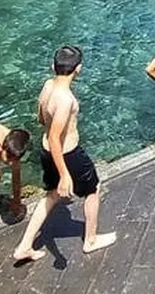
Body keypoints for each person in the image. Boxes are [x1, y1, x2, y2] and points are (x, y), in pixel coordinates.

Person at [12, 46, 116, 262]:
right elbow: (55, 139)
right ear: (78, 69)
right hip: (68, 154)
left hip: (46, 152)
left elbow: (41, 118)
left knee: (50, 196)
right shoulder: (66, 99)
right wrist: (65, 175)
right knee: (93, 190)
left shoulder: (48, 85)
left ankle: (24, 245)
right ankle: (91, 240)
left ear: (53, 66)